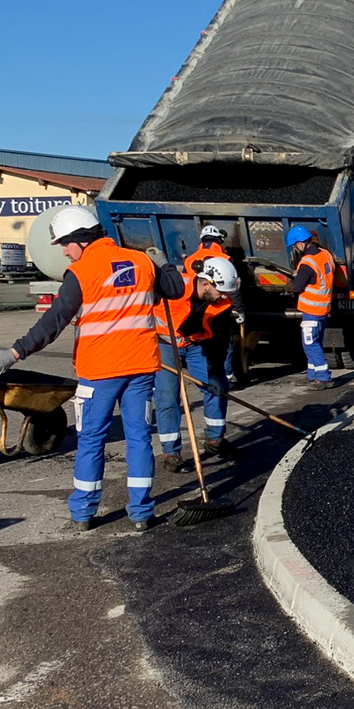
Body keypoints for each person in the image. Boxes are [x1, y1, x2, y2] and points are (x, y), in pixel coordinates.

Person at [0, 206, 185, 531]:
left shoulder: (83, 272)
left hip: (99, 373)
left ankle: (84, 512)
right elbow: (175, 289)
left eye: (65, 244)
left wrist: (15, 352)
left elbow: (53, 321)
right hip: (141, 368)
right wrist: (163, 262)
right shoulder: (141, 262)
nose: (64, 252)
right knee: (140, 438)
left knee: (91, 440)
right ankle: (141, 513)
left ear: (82, 240)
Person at [153, 256, 241, 472]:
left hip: (196, 345)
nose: (223, 297)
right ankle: (171, 453)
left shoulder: (221, 303)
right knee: (167, 397)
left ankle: (215, 440)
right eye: (220, 291)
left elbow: (220, 339)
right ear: (205, 283)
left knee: (216, 385)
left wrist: (215, 366)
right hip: (165, 343)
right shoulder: (173, 289)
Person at [185, 224, 245, 385]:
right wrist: (240, 310)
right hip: (220, 309)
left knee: (201, 344)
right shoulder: (225, 260)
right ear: (218, 240)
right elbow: (234, 289)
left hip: (197, 310)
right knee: (224, 344)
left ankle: (208, 375)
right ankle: (227, 377)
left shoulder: (190, 260)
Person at [285, 226, 334, 390]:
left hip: (312, 311)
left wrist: (291, 283)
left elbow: (297, 287)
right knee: (316, 341)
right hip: (323, 308)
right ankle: (312, 375)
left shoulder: (307, 263)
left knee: (310, 343)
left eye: (295, 245)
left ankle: (323, 377)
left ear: (300, 244)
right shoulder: (324, 254)